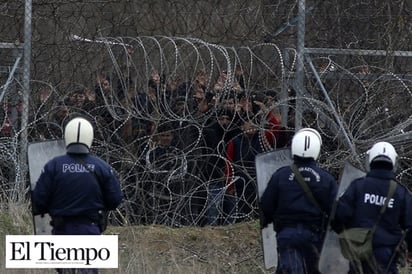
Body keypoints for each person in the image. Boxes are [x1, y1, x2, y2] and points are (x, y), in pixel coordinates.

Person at [32, 116, 124, 274]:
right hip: (90, 229)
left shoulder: (53, 166)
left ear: (67, 136)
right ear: (90, 137)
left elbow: (38, 201)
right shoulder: (101, 167)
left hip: (61, 230)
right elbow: (115, 200)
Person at [260, 128, 338, 274]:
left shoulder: (281, 175)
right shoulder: (326, 179)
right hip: (315, 236)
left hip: (287, 234)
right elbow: (335, 212)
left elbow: (266, 205)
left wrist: (268, 222)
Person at [332, 141, 412, 274]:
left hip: (358, 251)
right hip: (387, 255)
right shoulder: (400, 193)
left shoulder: (358, 186)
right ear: (394, 162)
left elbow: (339, 215)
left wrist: (345, 234)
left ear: (370, 160)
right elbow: (410, 226)